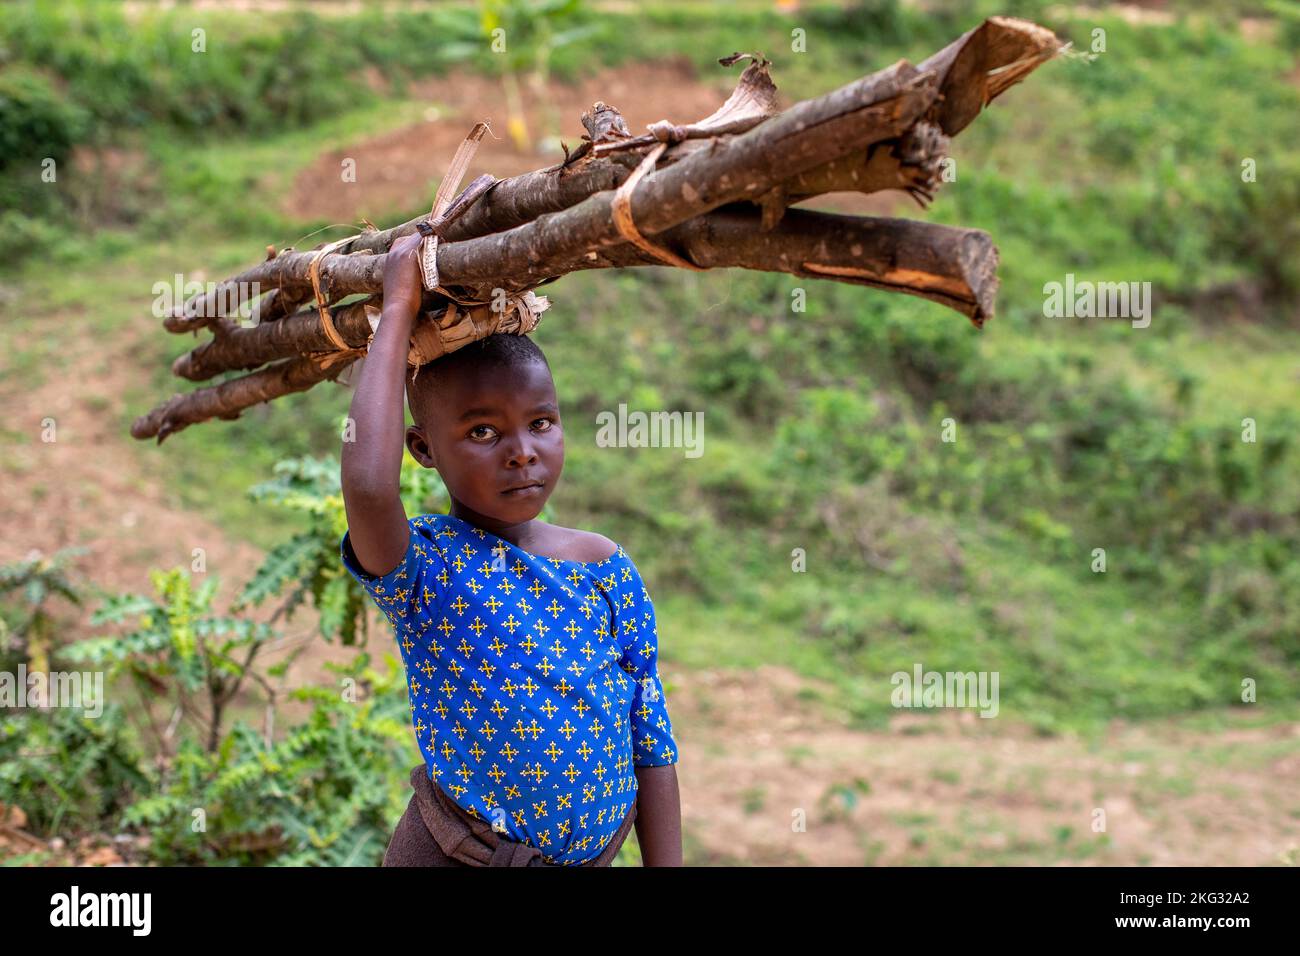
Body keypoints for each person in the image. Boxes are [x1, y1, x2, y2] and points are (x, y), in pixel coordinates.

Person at [338, 233, 682, 866]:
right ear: (423, 450)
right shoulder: (426, 569)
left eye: (541, 423)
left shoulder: (604, 566)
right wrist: (396, 309)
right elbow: (366, 486)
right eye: (483, 431)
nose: (522, 450)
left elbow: (651, 737)